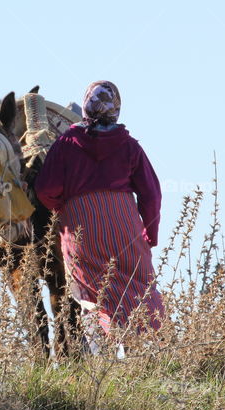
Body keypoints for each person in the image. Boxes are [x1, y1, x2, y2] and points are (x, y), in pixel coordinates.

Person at [35, 80, 164, 348]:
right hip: (124, 225)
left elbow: (46, 189)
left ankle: (98, 360)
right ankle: (147, 351)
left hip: (80, 226)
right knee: (138, 286)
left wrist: (63, 205)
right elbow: (151, 195)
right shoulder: (129, 145)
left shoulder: (66, 143)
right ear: (116, 108)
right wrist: (149, 234)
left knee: (91, 292)